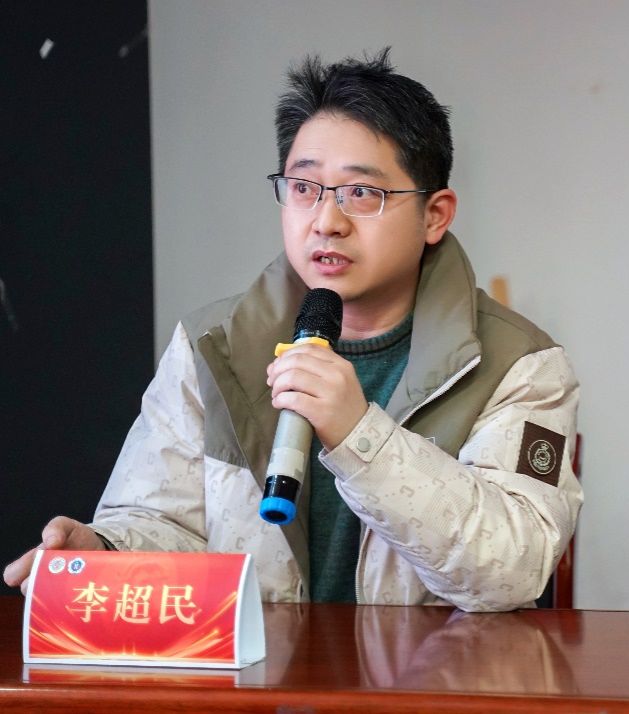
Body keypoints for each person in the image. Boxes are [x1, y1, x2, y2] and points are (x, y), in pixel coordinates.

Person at [3, 49, 582, 611]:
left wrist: (358, 434)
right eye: (304, 188)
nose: (327, 221)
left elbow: (514, 569)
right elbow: (163, 523)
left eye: (362, 193)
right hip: (262, 671)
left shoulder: (518, 363)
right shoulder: (211, 346)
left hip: (432, 673)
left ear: (435, 215)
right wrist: (106, 553)